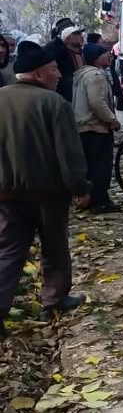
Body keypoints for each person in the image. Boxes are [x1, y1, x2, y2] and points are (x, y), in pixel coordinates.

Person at [0, 40, 90, 333]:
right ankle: (53, 301)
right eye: (54, 69)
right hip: (48, 193)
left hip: (6, 193)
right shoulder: (54, 104)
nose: (59, 74)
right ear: (38, 74)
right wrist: (80, 186)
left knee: (9, 251)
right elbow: (69, 153)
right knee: (54, 247)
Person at [72, 43, 122, 212]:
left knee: (91, 166)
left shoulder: (82, 74)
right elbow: (97, 103)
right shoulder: (95, 75)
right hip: (96, 128)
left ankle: (92, 199)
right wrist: (112, 120)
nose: (109, 55)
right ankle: (99, 202)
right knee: (101, 167)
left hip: (85, 129)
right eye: (104, 53)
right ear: (96, 58)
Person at [44, 20, 83, 102]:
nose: (81, 36)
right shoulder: (54, 49)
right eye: (77, 33)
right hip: (62, 96)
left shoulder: (78, 50)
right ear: (67, 37)